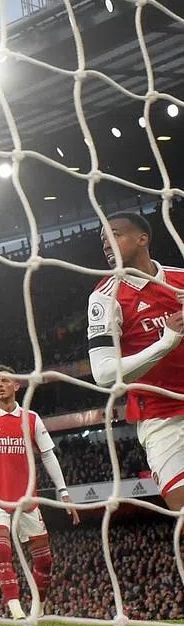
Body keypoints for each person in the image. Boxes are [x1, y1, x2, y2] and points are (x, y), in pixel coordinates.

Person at [0, 365, 80, 619]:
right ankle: (16, 610)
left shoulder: (31, 419)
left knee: (45, 561)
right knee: (2, 550)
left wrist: (64, 493)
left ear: (16, 385)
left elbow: (48, 455)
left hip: (27, 501)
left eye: (4, 381)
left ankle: (36, 610)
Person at [88, 212, 184, 511]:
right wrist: (166, 342)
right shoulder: (104, 298)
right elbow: (103, 374)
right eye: (103, 239)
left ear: (143, 238)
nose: (106, 243)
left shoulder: (180, 279)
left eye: (114, 234)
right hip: (162, 419)